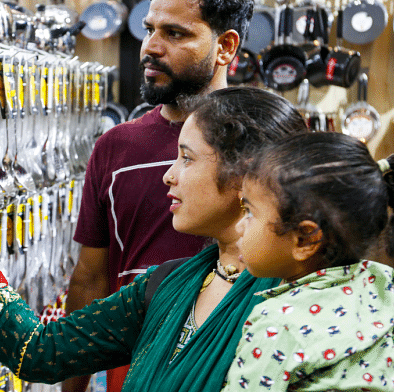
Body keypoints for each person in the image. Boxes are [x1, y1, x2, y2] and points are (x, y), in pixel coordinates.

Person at [0, 87, 310, 391]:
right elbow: (38, 351)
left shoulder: (300, 304)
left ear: (245, 177)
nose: (168, 175)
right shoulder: (168, 285)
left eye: (187, 159)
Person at [67, 0, 252, 387]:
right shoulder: (115, 148)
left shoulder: (267, 143)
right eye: (149, 29)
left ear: (225, 47)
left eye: (174, 33)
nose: (150, 46)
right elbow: (90, 279)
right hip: (131, 373)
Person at [222, 132, 394, 391]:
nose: (240, 227)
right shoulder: (381, 279)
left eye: (249, 211)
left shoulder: (277, 324)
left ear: (304, 240)